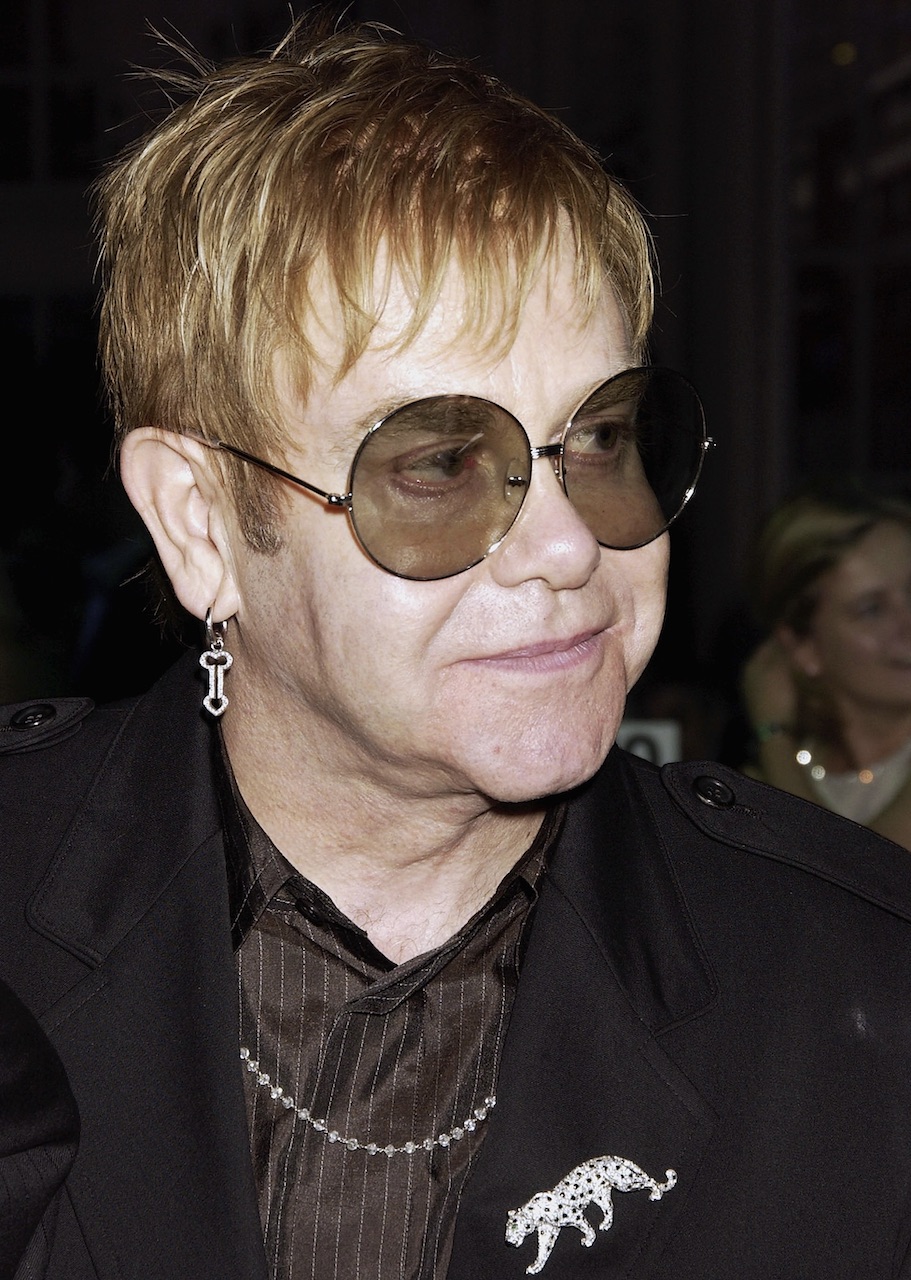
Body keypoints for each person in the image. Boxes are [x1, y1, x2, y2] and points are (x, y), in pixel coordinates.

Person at [4, 17, 911, 1280]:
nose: (564, 547)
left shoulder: (858, 990)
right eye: (436, 462)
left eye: (597, 439)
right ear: (199, 521)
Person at [742, 479, 911, 849]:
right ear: (804, 647)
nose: (908, 622)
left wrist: (773, 737)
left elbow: (872, 886)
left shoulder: (778, 767)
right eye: (873, 609)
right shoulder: (755, 788)